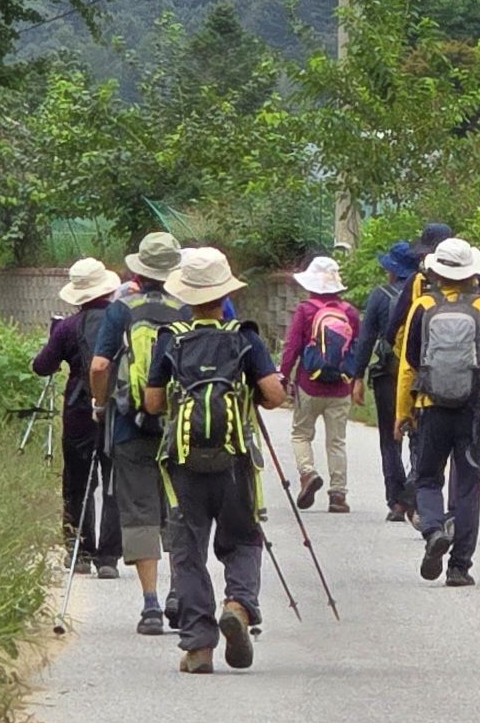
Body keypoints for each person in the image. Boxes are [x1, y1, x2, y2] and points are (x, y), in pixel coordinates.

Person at [140, 246, 289, 675]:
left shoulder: (171, 339)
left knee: (188, 552)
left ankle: (199, 647)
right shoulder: (245, 337)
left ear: (186, 295)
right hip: (234, 461)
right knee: (243, 539)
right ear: (224, 293)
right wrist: (248, 392)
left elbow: (152, 403)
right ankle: (238, 605)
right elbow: (275, 395)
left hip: (184, 463)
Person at [87, 230, 188, 635]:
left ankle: (150, 605)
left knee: (140, 512)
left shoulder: (122, 309)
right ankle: (179, 591)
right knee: (178, 508)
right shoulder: (187, 308)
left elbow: (99, 366)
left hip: (130, 425)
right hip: (180, 427)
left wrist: (100, 403)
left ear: (139, 272)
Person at [396, 236, 480, 586]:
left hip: (431, 408)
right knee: (468, 487)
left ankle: (432, 531)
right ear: (472, 273)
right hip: (474, 411)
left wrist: (403, 412)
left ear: (436, 273)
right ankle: (459, 567)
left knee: (428, 478)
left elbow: (409, 366)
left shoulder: (422, 306)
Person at [30, 256, 122, 579]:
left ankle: (80, 552)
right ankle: (109, 558)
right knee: (114, 483)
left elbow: (41, 366)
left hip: (79, 412)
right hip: (117, 410)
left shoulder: (67, 328)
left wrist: (56, 341)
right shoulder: (123, 323)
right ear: (107, 290)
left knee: (78, 483)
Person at [277, 254, 363, 512]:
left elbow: (292, 347)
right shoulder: (350, 313)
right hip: (340, 387)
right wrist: (357, 380)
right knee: (337, 441)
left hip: (309, 385)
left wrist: (283, 376)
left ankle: (308, 473)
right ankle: (338, 495)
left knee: (301, 434)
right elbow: (356, 351)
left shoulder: (305, 310)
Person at [355, 238, 425, 523]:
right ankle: (414, 493)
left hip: (389, 375)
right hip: (420, 376)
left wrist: (357, 376)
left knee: (389, 439)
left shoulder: (380, 296)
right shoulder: (424, 293)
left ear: (393, 271)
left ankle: (396, 501)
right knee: (419, 437)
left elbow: (366, 339)